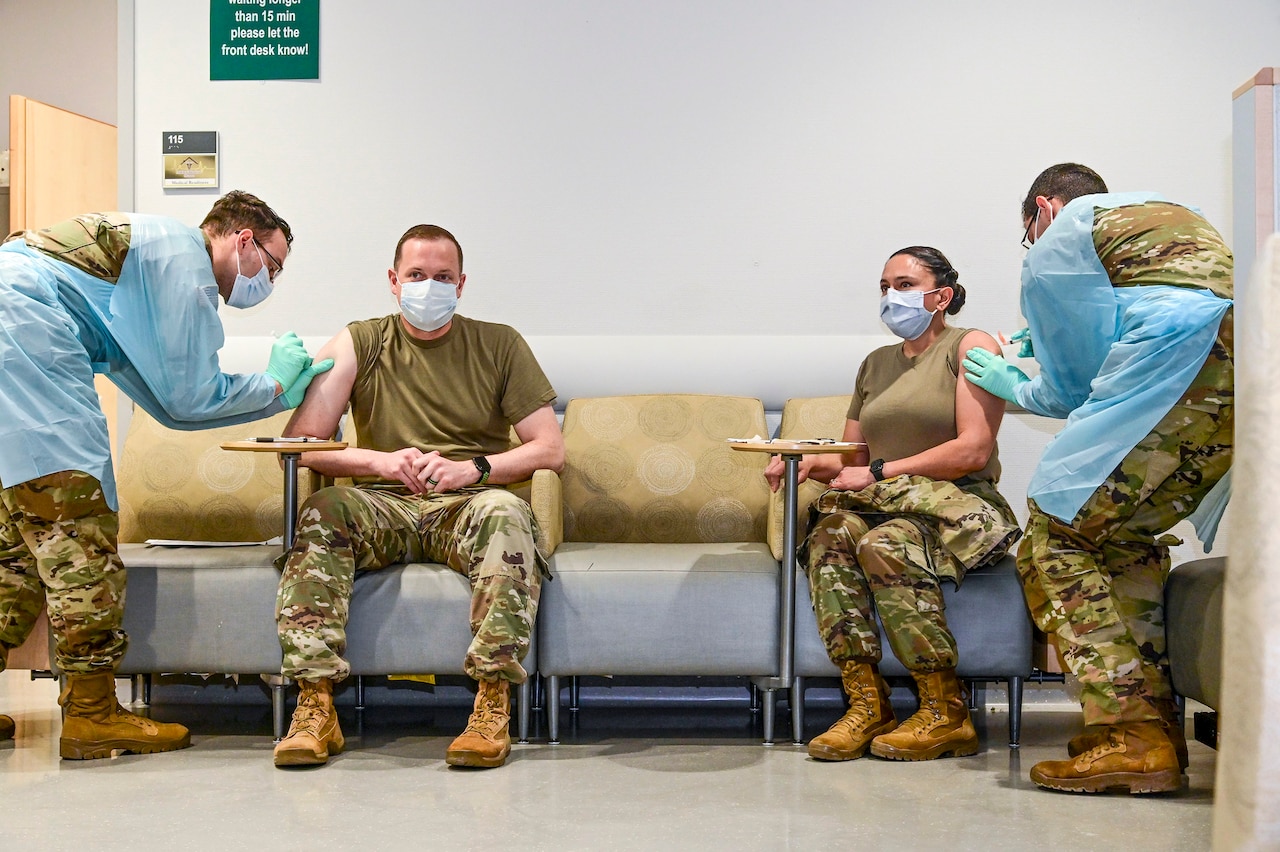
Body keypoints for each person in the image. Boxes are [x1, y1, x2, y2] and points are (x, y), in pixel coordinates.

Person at [0, 191, 331, 757]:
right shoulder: (185, 260)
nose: (267, 283)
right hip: (28, 340)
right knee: (80, 531)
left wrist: (269, 396)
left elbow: (165, 401)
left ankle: (87, 708)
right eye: (271, 267)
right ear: (242, 240)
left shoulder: (145, 264)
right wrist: (276, 386)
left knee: (15, 547)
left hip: (18, 336)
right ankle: (92, 714)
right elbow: (190, 396)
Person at [963, 163, 1233, 794]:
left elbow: (1070, 387)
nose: (1031, 245)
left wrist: (1016, 377)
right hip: (1242, 374)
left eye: (1028, 230)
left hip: (1173, 374)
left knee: (1054, 537)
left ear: (1044, 208)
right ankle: (1154, 733)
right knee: (1120, 539)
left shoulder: (1061, 240)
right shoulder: (1164, 209)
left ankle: (1132, 735)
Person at [271, 223, 563, 770]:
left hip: (465, 503)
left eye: (443, 277)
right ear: (393, 280)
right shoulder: (361, 341)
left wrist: (472, 469)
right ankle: (314, 706)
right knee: (323, 510)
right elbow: (301, 444)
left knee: (507, 514)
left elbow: (549, 449)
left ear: (462, 284)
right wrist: (377, 461)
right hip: (383, 502)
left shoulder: (500, 344)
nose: (430, 286)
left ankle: (491, 704)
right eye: (417, 276)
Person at [766, 246, 1020, 763]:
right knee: (831, 533)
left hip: (953, 506)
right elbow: (853, 460)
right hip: (884, 499)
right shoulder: (875, 365)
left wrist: (880, 471)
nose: (891, 297)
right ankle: (866, 703)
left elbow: (972, 449)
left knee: (885, 544)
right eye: (884, 287)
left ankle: (945, 711)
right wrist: (809, 463)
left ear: (941, 295)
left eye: (904, 284)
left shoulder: (969, 346)